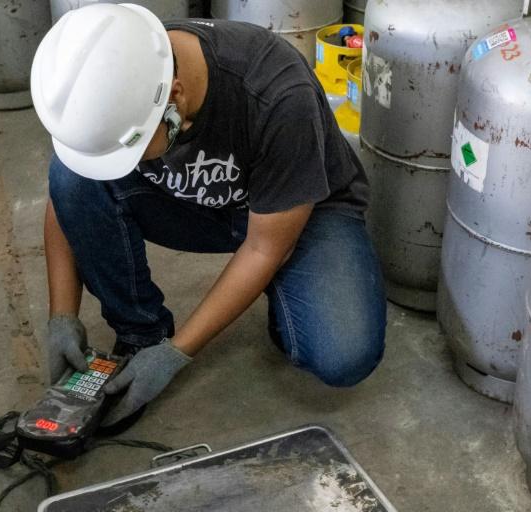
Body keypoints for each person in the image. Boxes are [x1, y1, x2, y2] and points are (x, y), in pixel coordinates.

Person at [30, 4, 387, 427]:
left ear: (174, 96)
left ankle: (284, 289)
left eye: (132, 152)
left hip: (301, 211)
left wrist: (176, 355)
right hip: (201, 205)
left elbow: (263, 246)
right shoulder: (119, 79)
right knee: (70, 177)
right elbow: (67, 194)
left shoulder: (277, 96)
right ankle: (141, 333)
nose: (127, 164)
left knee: (342, 355)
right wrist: (62, 317)